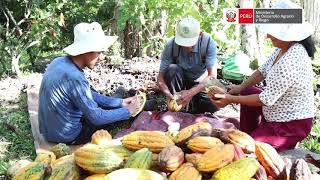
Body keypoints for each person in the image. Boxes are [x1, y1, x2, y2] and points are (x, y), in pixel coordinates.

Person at [210, 0, 316, 152]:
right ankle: (249, 133)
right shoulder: (283, 48)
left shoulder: (292, 59)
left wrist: (230, 99)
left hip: (291, 123)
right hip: (277, 109)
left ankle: (270, 139)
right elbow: (261, 72)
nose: (267, 36)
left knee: (249, 149)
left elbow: (265, 99)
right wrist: (240, 87)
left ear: (288, 35)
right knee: (246, 91)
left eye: (272, 32)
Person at [38, 22, 141, 144]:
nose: (102, 57)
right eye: (99, 52)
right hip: (66, 136)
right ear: (86, 51)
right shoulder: (75, 78)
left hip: (48, 131)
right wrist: (128, 111)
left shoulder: (59, 62)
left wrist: (120, 102)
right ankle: (123, 101)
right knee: (109, 120)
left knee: (98, 98)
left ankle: (118, 99)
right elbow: (96, 118)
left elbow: (87, 94)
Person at [157, 16, 219, 114]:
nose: (188, 47)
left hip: (201, 83)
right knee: (172, 69)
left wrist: (191, 93)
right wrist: (168, 94)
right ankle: (178, 105)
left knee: (214, 103)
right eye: (184, 43)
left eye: (192, 44)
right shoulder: (171, 45)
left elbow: (212, 76)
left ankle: (194, 103)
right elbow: (160, 78)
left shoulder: (208, 43)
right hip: (180, 81)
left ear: (200, 35)